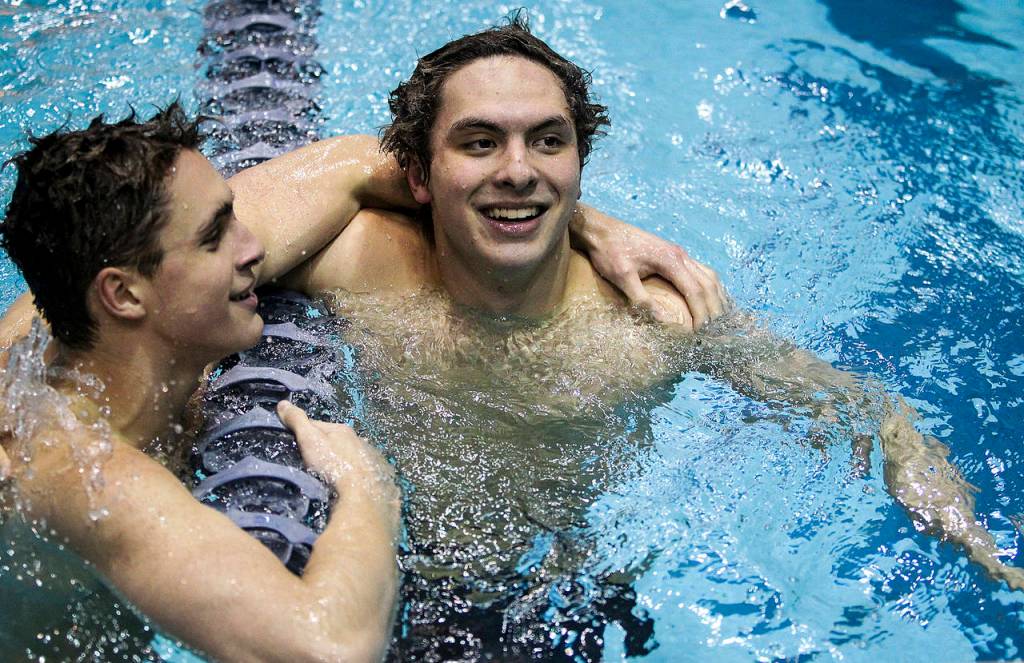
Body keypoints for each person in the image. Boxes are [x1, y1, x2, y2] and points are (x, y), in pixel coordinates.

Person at [269, 16, 1024, 654]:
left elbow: (871, 411)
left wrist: (964, 527)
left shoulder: (655, 316)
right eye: (478, 142)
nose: (519, 171)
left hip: (569, 593)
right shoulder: (360, 264)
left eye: (548, 141)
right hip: (391, 579)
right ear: (417, 175)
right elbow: (195, 244)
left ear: (580, 161)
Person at [0, 97, 727, 657]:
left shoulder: (77, 326)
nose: (256, 244)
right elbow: (328, 648)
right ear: (123, 294)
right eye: (218, 232)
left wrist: (590, 225)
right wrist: (370, 490)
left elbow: (351, 165)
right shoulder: (78, 467)